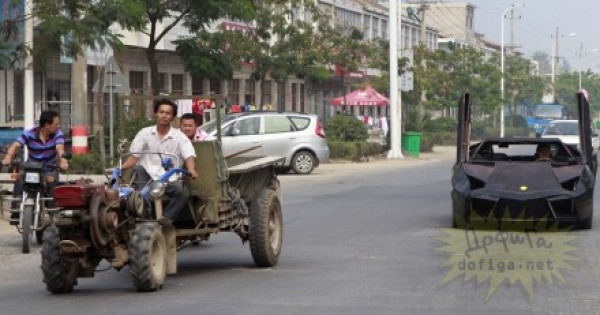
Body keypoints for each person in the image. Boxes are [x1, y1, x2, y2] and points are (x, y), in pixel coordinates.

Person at [121, 99, 198, 223]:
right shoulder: (144, 133)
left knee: (183, 192)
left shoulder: (180, 137)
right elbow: (134, 157)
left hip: (169, 180)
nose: (164, 115)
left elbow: (189, 155)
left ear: (173, 117)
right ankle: (144, 213)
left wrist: (191, 170)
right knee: (137, 170)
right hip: (147, 179)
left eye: (168, 113)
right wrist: (121, 168)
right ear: (156, 114)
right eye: (161, 112)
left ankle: (165, 220)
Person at [1, 110, 69, 224]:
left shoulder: (58, 134)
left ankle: (53, 210)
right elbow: (16, 145)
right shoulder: (29, 133)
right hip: (32, 168)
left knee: (52, 179)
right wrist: (8, 157)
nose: (58, 126)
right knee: (19, 177)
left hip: (49, 169)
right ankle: (16, 209)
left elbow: (60, 148)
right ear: (47, 125)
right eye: (56, 124)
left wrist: (63, 161)